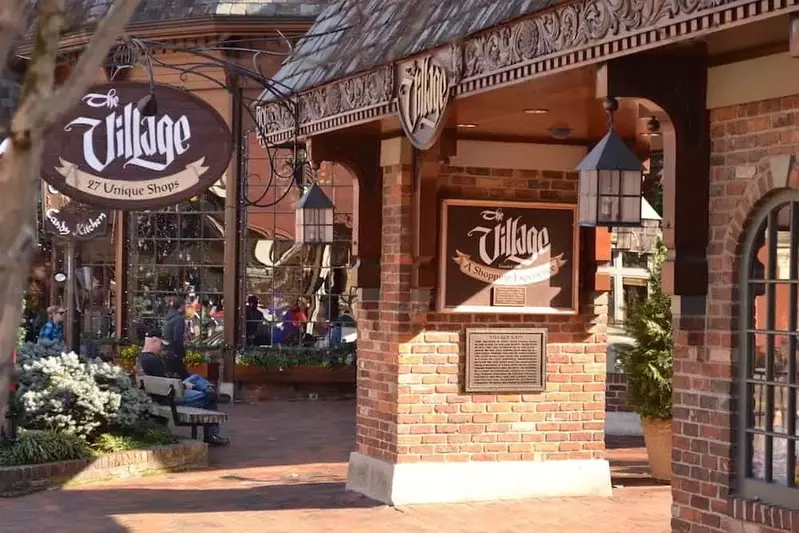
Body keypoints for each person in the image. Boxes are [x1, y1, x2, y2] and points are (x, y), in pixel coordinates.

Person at [138, 331, 230, 447]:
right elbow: (166, 384)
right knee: (209, 398)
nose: (161, 348)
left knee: (195, 378)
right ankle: (211, 435)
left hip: (166, 393)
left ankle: (209, 389)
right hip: (170, 398)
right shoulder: (153, 360)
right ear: (155, 341)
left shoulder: (141, 358)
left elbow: (164, 380)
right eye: (161, 345)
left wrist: (181, 383)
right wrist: (184, 385)